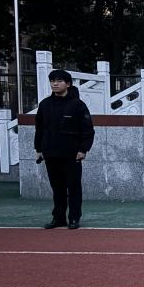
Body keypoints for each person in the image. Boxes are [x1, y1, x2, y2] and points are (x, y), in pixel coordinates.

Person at [34, 69, 95, 229]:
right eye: (52, 81)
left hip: (71, 154)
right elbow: (39, 129)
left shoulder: (77, 105)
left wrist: (83, 149)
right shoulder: (45, 105)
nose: (55, 84)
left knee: (73, 188)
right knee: (57, 188)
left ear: (67, 84)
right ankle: (58, 218)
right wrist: (39, 149)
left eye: (59, 81)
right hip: (51, 153)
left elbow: (87, 130)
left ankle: (74, 218)